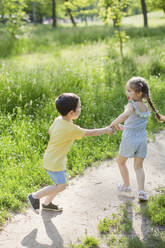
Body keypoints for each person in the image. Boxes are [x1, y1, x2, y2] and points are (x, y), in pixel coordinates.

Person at [28, 93, 114, 214]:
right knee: (61, 185)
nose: (81, 109)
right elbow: (91, 132)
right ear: (71, 113)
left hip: (51, 158)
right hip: (55, 162)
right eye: (79, 107)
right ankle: (35, 196)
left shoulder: (58, 120)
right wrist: (106, 130)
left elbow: (50, 131)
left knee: (58, 183)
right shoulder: (71, 129)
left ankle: (47, 204)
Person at [110, 76, 165, 201]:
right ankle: (142, 192)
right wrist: (123, 127)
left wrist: (113, 123)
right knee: (139, 167)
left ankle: (126, 185)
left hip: (130, 139)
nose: (126, 93)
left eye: (129, 90)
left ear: (139, 93)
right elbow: (135, 126)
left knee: (121, 162)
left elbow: (126, 114)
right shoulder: (145, 107)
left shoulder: (132, 104)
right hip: (141, 139)